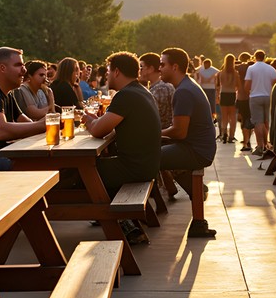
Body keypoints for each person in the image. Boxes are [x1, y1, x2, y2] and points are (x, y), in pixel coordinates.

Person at [82, 52, 162, 245]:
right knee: (93, 169)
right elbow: (109, 127)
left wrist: (87, 120)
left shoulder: (125, 96)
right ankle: (123, 221)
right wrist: (96, 122)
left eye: (108, 71)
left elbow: (98, 132)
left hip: (134, 168)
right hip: (148, 165)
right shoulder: (141, 91)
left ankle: (119, 222)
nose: (106, 76)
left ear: (117, 72)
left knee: (82, 174)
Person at [159, 47, 217, 238]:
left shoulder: (183, 92)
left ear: (174, 67)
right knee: (152, 149)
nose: (160, 68)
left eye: (162, 64)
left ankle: (129, 215)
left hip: (196, 150)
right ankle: (196, 191)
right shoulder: (187, 85)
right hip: (199, 147)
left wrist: (155, 134)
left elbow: (179, 132)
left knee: (146, 156)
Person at [244, 49, 276, 156]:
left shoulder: (251, 68)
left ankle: (260, 146)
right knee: (266, 121)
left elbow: (247, 85)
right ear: (265, 57)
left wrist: (250, 90)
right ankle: (266, 143)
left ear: (254, 57)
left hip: (255, 96)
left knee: (258, 122)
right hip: (268, 96)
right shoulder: (270, 68)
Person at [139, 52, 174, 130]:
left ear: (151, 69)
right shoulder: (160, 86)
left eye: (141, 67)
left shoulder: (160, 89)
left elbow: (147, 117)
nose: (139, 71)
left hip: (161, 136)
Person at [215, 53, 239, 143]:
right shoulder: (235, 73)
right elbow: (238, 85)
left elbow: (217, 86)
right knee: (232, 117)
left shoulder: (220, 73)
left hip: (223, 94)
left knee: (224, 117)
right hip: (232, 94)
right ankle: (231, 136)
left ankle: (223, 133)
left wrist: (217, 96)